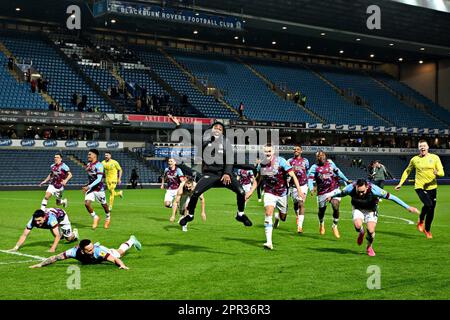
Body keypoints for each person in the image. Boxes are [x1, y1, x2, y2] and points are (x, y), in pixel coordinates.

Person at [175, 119, 253, 228]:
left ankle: (240, 214)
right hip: (210, 175)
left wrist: (227, 173)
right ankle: (190, 215)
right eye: (215, 128)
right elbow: (188, 137)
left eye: (220, 129)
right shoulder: (204, 142)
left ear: (222, 133)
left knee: (241, 192)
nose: (217, 129)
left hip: (224, 176)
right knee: (196, 192)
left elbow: (231, 160)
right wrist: (179, 125)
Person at [328, 179, 419, 256]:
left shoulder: (375, 190)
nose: (360, 194)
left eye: (362, 191)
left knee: (371, 231)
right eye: (358, 191)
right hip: (358, 208)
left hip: (371, 210)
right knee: (358, 225)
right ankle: (361, 232)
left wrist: (407, 207)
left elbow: (392, 197)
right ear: (356, 187)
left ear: (367, 187)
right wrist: (331, 196)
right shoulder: (350, 188)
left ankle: (369, 246)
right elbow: (341, 193)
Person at [246, 144, 305, 250]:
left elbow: (293, 176)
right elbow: (258, 179)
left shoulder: (281, 161)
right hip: (269, 192)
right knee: (268, 213)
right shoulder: (262, 164)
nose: (267, 153)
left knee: (283, 217)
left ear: (273, 152)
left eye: (269, 151)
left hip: (282, 193)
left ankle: (278, 217)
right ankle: (269, 242)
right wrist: (251, 191)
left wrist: (299, 191)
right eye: (265, 151)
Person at [395, 140, 445, 238]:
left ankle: (428, 230)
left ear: (428, 147)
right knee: (428, 204)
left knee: (431, 210)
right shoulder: (414, 159)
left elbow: (442, 173)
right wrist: (400, 183)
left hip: (432, 187)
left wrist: (437, 173)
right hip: (419, 186)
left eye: (424, 146)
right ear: (418, 148)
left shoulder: (435, 158)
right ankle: (421, 219)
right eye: (420, 146)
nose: (422, 148)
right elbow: (407, 171)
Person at [30, 236, 141, 269]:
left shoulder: (98, 251)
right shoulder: (73, 252)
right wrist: (40, 264)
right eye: (89, 250)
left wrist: (122, 265)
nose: (92, 251)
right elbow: (56, 257)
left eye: (92, 248)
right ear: (82, 250)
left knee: (119, 253)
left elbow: (115, 260)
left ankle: (131, 240)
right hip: (92, 255)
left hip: (103, 250)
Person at [308, 151, 350, 238]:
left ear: (325, 156)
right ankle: (321, 223)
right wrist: (311, 188)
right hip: (322, 192)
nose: (321, 157)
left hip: (334, 189)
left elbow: (338, 172)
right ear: (317, 158)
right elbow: (310, 179)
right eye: (319, 156)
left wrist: (346, 179)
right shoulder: (314, 167)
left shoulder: (331, 163)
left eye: (323, 155)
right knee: (321, 211)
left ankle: (334, 225)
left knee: (335, 205)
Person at [10, 208, 78, 253]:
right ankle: (61, 232)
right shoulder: (32, 221)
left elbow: (57, 236)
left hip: (62, 218)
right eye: (36, 221)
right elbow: (24, 235)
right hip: (50, 223)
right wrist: (16, 247)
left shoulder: (51, 219)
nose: (37, 223)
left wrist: (52, 249)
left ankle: (74, 233)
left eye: (39, 220)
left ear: (44, 217)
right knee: (60, 236)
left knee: (68, 238)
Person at [82, 149, 111, 229]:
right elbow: (91, 177)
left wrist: (88, 186)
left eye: (89, 154)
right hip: (91, 189)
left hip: (99, 189)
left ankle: (108, 218)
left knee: (104, 205)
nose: (88, 156)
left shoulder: (99, 165)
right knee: (87, 204)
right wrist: (87, 184)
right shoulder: (89, 164)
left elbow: (99, 179)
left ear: (95, 155)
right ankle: (95, 217)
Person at [287, 145, 310, 233]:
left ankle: (299, 227)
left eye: (297, 149)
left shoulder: (305, 161)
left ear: (301, 151)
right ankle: (297, 216)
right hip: (293, 186)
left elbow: (306, 171)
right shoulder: (289, 161)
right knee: (296, 204)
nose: (296, 151)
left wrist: (309, 183)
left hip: (303, 185)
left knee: (301, 204)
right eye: (294, 149)